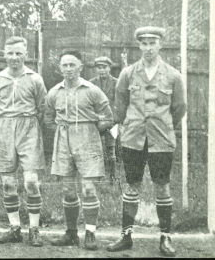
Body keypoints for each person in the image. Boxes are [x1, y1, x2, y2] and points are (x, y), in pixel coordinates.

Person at [107, 27, 185, 257]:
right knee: (132, 186)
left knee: (162, 186)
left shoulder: (173, 75)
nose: (149, 48)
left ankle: (165, 237)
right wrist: (124, 126)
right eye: (144, 43)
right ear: (139, 46)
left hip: (161, 139)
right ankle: (126, 235)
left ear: (160, 44)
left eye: (153, 43)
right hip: (133, 138)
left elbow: (179, 108)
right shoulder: (128, 74)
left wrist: (165, 126)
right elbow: (120, 105)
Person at [45, 50, 113, 250]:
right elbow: (48, 118)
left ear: (80, 67)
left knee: (89, 189)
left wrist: (91, 131)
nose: (68, 69)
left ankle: (90, 232)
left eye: (72, 65)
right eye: (64, 65)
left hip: (88, 139)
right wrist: (61, 132)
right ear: (60, 68)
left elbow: (108, 117)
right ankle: (71, 233)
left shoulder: (92, 90)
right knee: (68, 189)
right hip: (64, 140)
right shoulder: (54, 92)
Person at [0, 36, 47, 246]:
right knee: (8, 183)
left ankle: (34, 229)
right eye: (10, 53)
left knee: (31, 181)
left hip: (28, 129)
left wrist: (27, 125)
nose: (14, 57)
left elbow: (42, 108)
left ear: (26, 55)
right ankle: (14, 228)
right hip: (4, 130)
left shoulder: (35, 79)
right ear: (4, 54)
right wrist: (5, 127)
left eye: (18, 53)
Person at [89, 56, 119, 179]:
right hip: (96, 121)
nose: (102, 70)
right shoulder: (91, 83)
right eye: (99, 67)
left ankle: (113, 176)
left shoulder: (116, 83)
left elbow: (119, 103)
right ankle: (98, 176)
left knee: (111, 150)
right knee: (96, 150)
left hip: (112, 121)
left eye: (104, 67)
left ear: (110, 68)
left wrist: (115, 119)